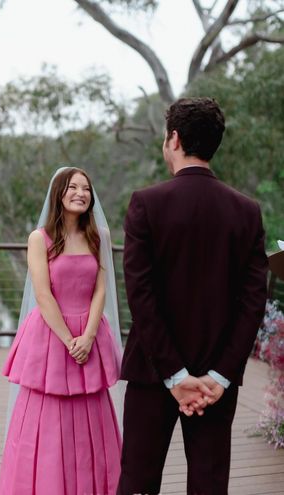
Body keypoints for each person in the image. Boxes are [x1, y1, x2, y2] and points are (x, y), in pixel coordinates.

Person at [117, 97, 268, 495]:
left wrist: (175, 375)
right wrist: (217, 376)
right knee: (209, 485)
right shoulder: (247, 211)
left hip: (153, 373)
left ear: (174, 139)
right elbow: (253, 303)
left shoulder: (146, 204)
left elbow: (141, 296)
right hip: (216, 385)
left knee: (138, 482)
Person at [0, 166, 122, 495]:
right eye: (73, 187)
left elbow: (101, 289)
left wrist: (90, 336)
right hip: (52, 336)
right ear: (59, 193)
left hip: (89, 333)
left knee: (90, 417)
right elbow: (42, 294)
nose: (81, 193)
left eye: (86, 188)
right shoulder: (40, 239)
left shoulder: (99, 236)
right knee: (48, 419)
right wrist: (69, 340)